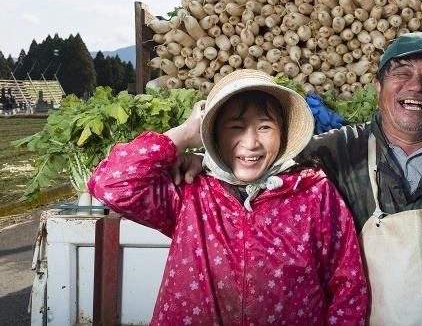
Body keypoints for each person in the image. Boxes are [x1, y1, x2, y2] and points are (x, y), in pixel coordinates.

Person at [175, 33, 422, 325]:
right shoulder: (334, 154)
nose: (416, 86)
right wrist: (204, 159)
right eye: (402, 74)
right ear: (378, 84)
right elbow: (257, 163)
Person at [88, 69, 368, 326]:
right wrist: (182, 137)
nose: (251, 143)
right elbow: (109, 185)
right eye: (235, 126)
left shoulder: (312, 194)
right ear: (213, 135)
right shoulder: (191, 192)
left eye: (265, 127)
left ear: (282, 135)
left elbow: (348, 285)